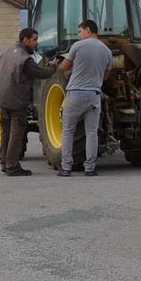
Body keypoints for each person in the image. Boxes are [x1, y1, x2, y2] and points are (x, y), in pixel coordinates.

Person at [0, 28, 56, 176]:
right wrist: (53, 66)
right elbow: (40, 73)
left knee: (5, 131)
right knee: (17, 132)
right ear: (25, 40)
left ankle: (5, 162)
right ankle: (13, 166)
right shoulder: (25, 59)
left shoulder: (7, 52)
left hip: (1, 98)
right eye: (34, 39)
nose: (36, 43)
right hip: (16, 100)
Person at [57, 20, 113, 177]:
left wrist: (56, 66)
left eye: (80, 31)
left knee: (68, 130)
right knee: (92, 133)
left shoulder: (77, 46)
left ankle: (66, 167)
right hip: (94, 96)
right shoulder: (107, 51)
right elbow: (106, 75)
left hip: (75, 93)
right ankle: (90, 168)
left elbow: (65, 67)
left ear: (88, 30)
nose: (79, 35)